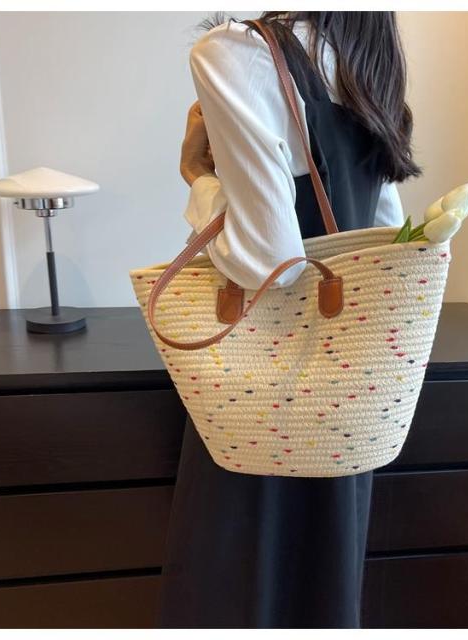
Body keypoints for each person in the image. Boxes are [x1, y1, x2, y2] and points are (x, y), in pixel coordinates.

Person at [157, 12, 421, 629]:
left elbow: (269, 261)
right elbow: (386, 237)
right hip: (346, 391)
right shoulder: (365, 61)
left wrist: (198, 178)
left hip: (261, 383)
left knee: (235, 582)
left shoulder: (235, 51)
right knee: (321, 582)